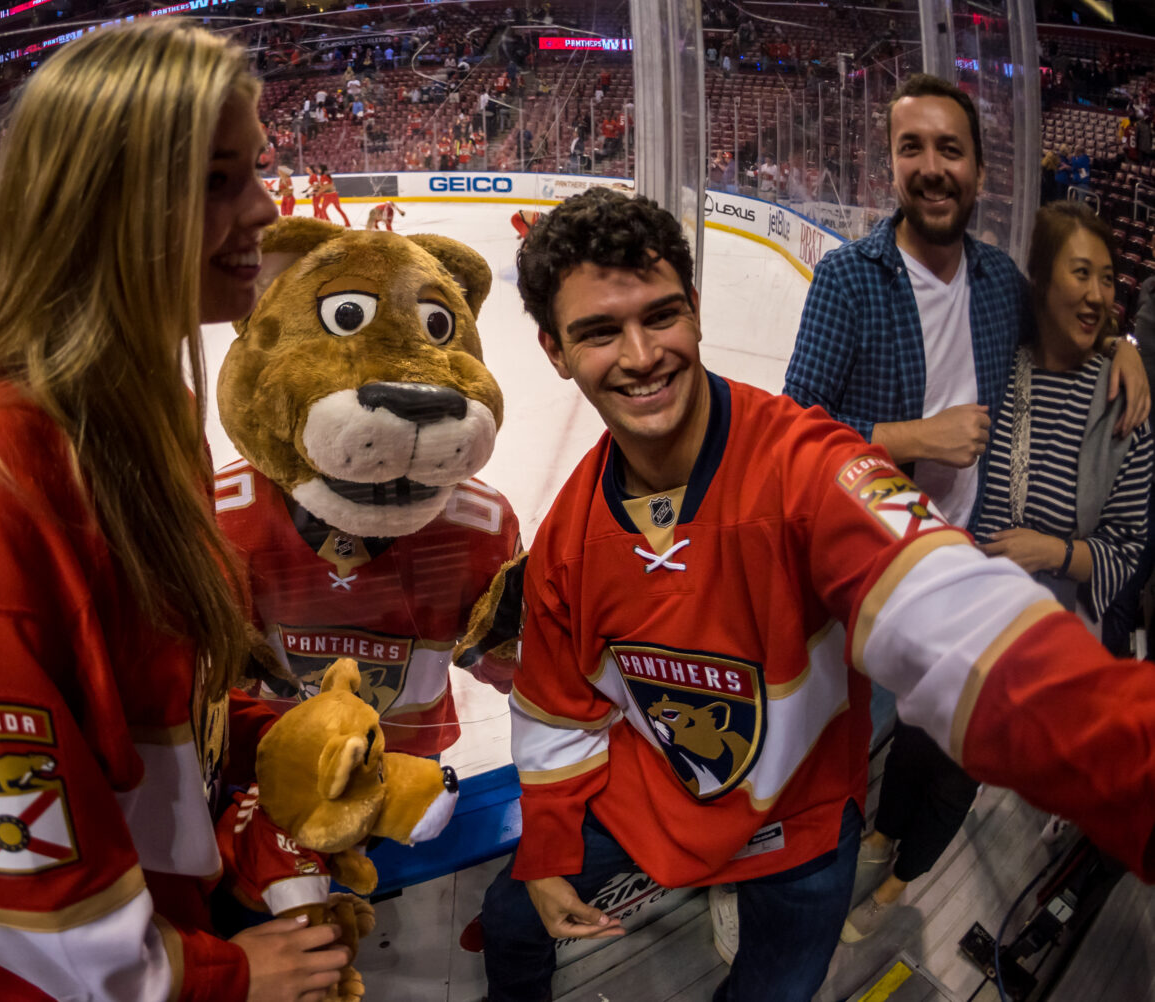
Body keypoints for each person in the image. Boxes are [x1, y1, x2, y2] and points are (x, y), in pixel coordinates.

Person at [477, 188, 1155, 1002]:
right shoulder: (565, 540)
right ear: (554, 351)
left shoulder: (817, 468)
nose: (641, 354)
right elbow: (556, 706)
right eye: (598, 332)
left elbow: (962, 620)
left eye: (660, 316)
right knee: (512, 917)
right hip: (653, 802)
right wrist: (549, 847)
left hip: (800, 833)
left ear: (696, 308)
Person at [0, 21, 349, 1002]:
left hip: (196, 915)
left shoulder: (153, 412)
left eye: (255, 171)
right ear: (109, 208)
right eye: (220, 181)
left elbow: (171, 691)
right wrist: (220, 977)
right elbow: (9, 875)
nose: (266, 209)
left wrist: (284, 741)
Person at [784, 74, 1150, 945]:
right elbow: (793, 432)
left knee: (943, 754)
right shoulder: (849, 280)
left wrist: (1132, 345)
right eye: (913, 148)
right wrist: (913, 435)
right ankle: (797, 873)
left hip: (966, 574)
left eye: (950, 149)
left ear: (979, 173)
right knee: (841, 749)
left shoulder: (994, 284)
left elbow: (1080, 313)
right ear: (893, 165)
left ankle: (882, 873)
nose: (931, 167)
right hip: (865, 568)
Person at [974, 202, 1152, 637]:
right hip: (966, 619)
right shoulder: (995, 365)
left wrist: (1052, 553)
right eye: (1081, 272)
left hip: (1050, 639)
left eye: (1108, 278)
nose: (1098, 294)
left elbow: (1124, 552)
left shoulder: (1121, 403)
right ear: (1041, 280)